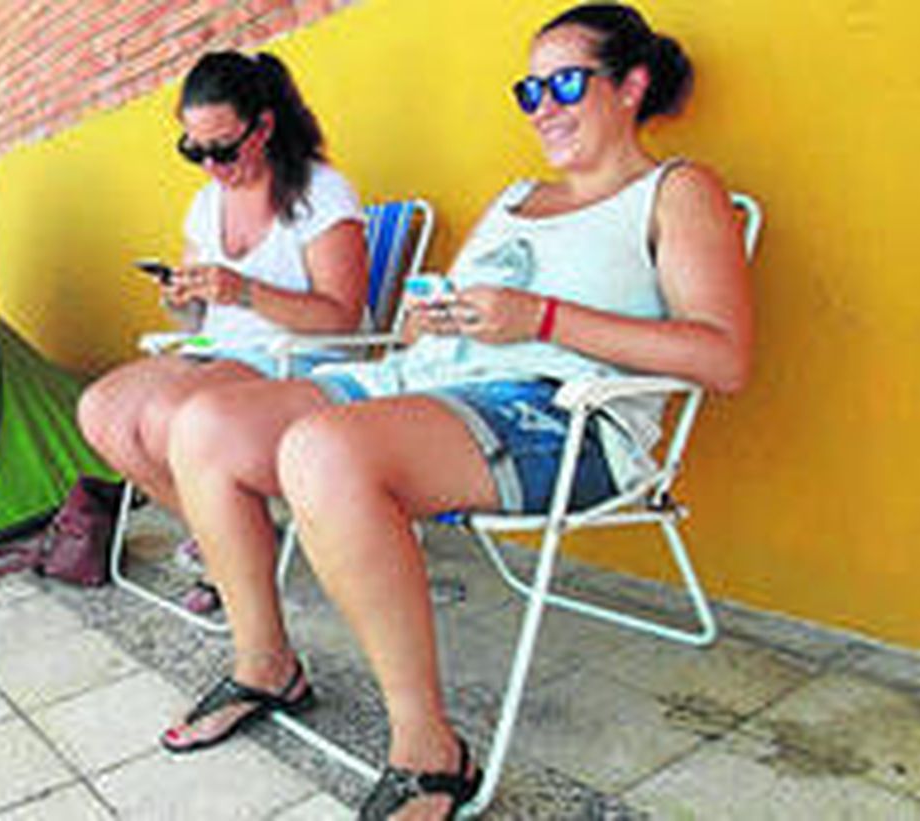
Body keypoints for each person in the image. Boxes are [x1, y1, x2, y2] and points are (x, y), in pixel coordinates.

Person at [159, 4, 754, 819]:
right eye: (531, 90)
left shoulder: (675, 190)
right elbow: (425, 325)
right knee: (204, 426)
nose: (543, 106)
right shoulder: (516, 196)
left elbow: (724, 358)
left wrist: (541, 318)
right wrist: (433, 314)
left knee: (322, 450)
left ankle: (429, 750)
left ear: (632, 85)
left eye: (565, 83)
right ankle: (265, 663)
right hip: (425, 379)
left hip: (559, 413)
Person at [76, 50, 369, 610]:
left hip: (294, 358)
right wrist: (181, 299)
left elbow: (342, 319)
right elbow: (195, 322)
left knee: (164, 417)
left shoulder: (320, 193)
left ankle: (233, 557)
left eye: (223, 148)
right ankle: (227, 537)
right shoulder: (207, 204)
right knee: (100, 411)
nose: (210, 164)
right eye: (194, 150)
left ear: (263, 126)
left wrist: (245, 291)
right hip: (218, 351)